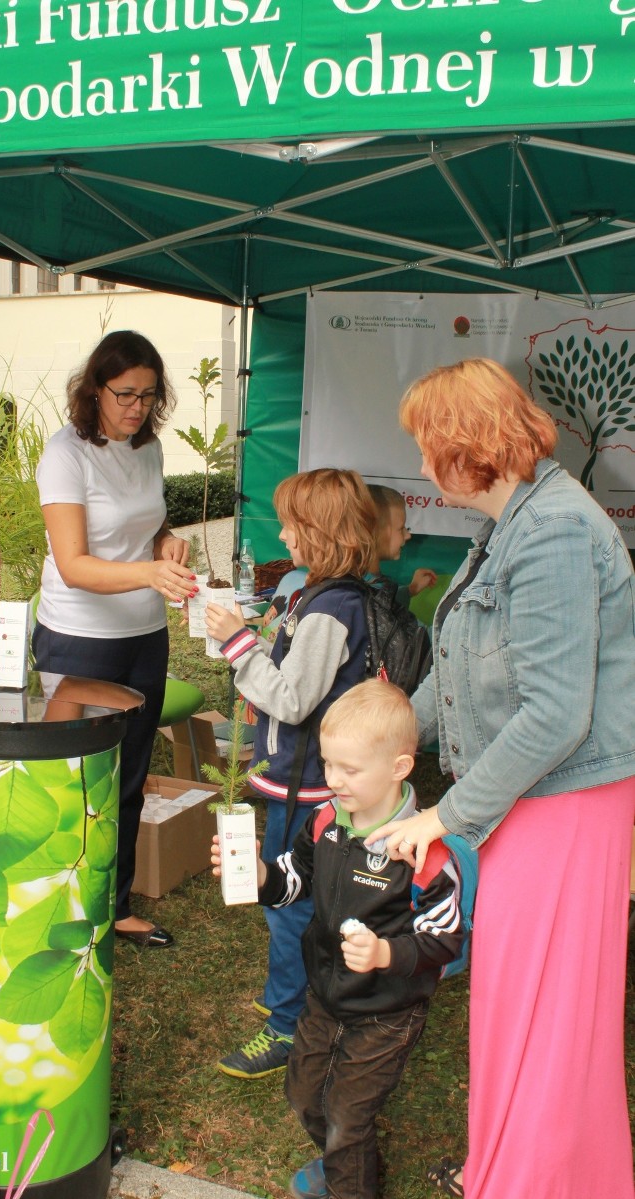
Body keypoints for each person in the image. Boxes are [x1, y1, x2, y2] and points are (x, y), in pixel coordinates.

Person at [374, 358, 635, 1199]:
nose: (419, 467)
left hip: (570, 801)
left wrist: (447, 813)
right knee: (514, 1005)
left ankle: (543, 1181)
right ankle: (509, 1170)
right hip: (536, 798)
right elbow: (458, 677)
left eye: (425, 447)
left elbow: (556, 714)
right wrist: (377, 742)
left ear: (467, 445)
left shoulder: (554, 528)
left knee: (550, 1020)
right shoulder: (511, 524)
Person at [210, 679, 464, 1199]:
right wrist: (259, 876)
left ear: (399, 768)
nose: (334, 779)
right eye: (328, 764)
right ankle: (341, 1162)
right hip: (325, 997)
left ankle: (349, 1179)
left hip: (387, 1012)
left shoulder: (425, 852)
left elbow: (445, 938)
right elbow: (295, 877)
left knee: (349, 1117)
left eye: (350, 769)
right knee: (305, 1096)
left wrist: (386, 952)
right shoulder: (326, 820)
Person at [204, 468, 378, 1077]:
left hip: (306, 790)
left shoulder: (330, 609)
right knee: (295, 901)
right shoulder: (323, 596)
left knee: (287, 902)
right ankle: (296, 991)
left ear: (319, 532)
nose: (282, 533)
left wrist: (236, 645)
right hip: (303, 781)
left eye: (291, 524)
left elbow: (293, 699)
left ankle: (286, 1023)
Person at [32, 329, 195, 949]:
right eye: (124, 394)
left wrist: (166, 544)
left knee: (128, 772)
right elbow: (73, 563)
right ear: (93, 389)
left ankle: (115, 904)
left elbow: (145, 527)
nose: (137, 408)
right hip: (80, 637)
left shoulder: (147, 450)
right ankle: (56, 907)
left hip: (143, 634)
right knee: (72, 776)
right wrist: (150, 572)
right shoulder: (65, 454)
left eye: (149, 396)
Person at [367, 484, 437, 607]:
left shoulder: (370, 589)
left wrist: (410, 590)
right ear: (372, 533)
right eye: (401, 528)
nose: (408, 535)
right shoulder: (361, 596)